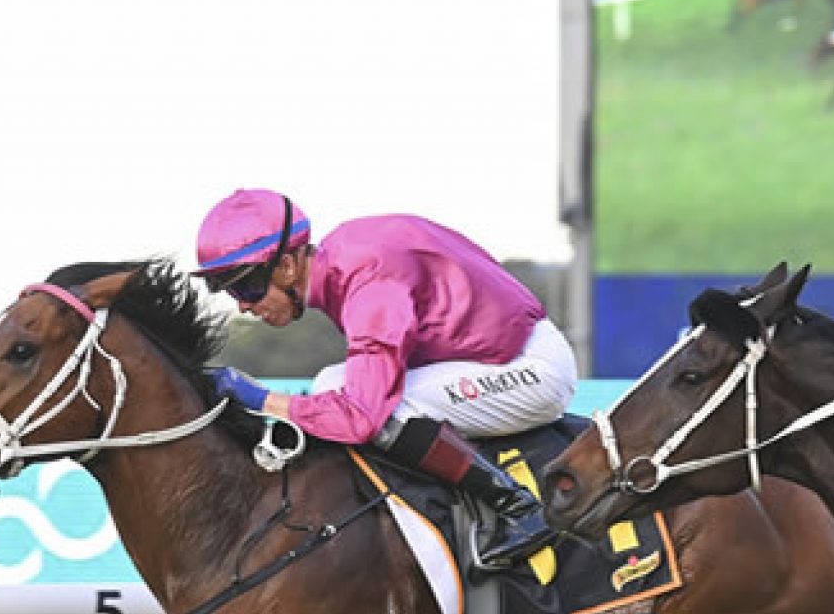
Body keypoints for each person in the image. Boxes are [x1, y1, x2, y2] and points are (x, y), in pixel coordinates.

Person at [196, 190, 578, 570]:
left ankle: (520, 507)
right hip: (487, 355)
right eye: (231, 291)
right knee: (330, 382)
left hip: (531, 369)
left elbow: (363, 417)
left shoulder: (369, 279)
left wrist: (262, 400)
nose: (243, 305)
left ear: (288, 266)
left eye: (245, 287)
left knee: (389, 410)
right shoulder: (344, 257)